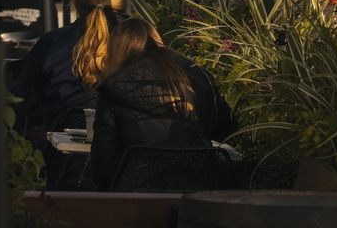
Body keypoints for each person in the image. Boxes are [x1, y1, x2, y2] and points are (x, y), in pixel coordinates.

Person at [87, 16, 237, 191]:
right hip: (198, 187)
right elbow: (228, 129)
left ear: (116, 52)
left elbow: (104, 165)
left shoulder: (113, 87)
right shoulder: (195, 76)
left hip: (138, 193)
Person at [10, 0, 125, 139]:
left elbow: (24, 102)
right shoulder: (142, 43)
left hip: (61, 154)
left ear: (77, 0)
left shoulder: (52, 42)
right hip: (124, 155)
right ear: (123, 1)